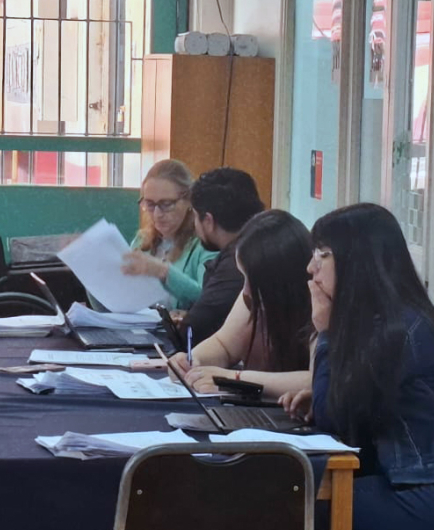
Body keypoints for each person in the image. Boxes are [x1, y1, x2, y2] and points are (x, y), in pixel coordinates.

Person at [284, 203, 434, 530]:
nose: (311, 268)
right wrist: (326, 390)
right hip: (418, 484)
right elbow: (347, 415)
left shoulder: (401, 331)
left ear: (358, 261)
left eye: (323, 254)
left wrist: (325, 334)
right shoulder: (387, 320)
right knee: (288, 491)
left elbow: (331, 419)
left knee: (292, 505)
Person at [169, 210, 313, 399]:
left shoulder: (319, 305)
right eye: (243, 277)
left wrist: (235, 378)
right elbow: (224, 346)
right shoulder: (251, 297)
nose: (245, 291)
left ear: (281, 284)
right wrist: (193, 362)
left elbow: (316, 381)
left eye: (253, 281)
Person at [179, 167, 265, 344]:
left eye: (195, 217)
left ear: (208, 221)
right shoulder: (262, 246)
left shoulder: (237, 263)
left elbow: (194, 328)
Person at [121, 159, 216, 309]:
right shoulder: (141, 241)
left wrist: (163, 271)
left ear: (189, 200)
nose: (157, 214)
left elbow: (210, 300)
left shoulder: (206, 245)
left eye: (166, 204)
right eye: (150, 204)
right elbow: (119, 300)